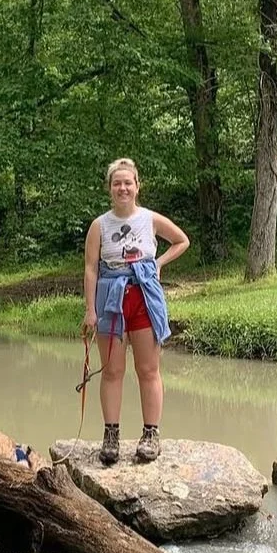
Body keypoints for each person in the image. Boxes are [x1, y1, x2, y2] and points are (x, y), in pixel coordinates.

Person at [81, 158, 190, 466]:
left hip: (143, 296)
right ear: (109, 188)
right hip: (110, 298)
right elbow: (90, 269)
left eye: (128, 182)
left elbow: (181, 241)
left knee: (148, 369)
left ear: (137, 186)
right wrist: (90, 309)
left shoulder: (150, 219)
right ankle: (111, 436)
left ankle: (151, 435)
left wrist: (157, 263)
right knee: (112, 370)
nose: (123, 188)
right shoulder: (99, 225)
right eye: (117, 183)